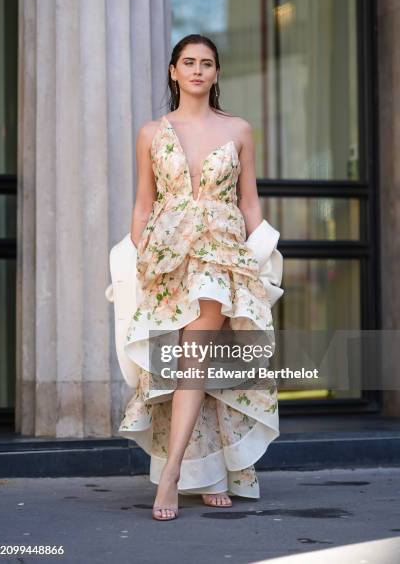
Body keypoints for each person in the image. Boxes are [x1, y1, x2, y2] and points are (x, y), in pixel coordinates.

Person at [118, 33, 282, 521]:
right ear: (173, 71)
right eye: (187, 62)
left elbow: (248, 201)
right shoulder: (152, 131)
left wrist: (266, 256)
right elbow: (144, 203)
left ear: (215, 73)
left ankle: (169, 480)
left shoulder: (239, 130)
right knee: (183, 367)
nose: (196, 70)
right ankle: (211, 473)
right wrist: (135, 261)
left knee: (194, 357)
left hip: (220, 253)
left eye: (206, 63)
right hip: (167, 257)